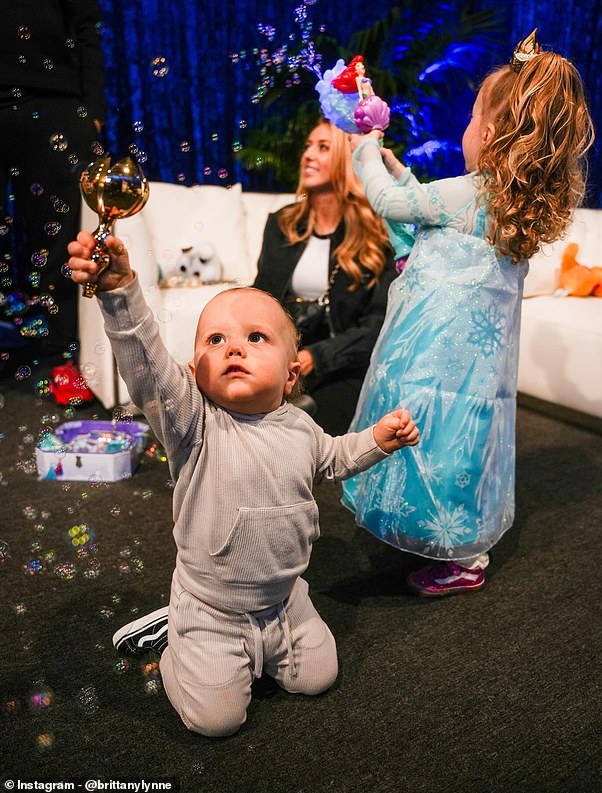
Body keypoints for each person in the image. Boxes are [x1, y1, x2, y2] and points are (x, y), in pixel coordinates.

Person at [66, 230, 419, 737]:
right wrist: (120, 290)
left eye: (256, 338)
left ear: (292, 374)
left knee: (320, 677)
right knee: (217, 721)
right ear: (193, 371)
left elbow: (335, 459)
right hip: (212, 607)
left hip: (282, 599)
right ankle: (177, 643)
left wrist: (378, 440)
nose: (234, 347)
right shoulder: (193, 421)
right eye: (216, 339)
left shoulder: (300, 427)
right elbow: (146, 366)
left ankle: (263, 641)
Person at [341, 38, 594, 596]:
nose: (466, 129)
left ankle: (447, 549)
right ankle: (460, 544)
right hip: (476, 374)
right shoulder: (515, 208)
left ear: (493, 136)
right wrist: (397, 167)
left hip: (432, 357)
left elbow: (392, 205)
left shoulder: (465, 193)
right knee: (459, 444)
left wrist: (365, 150)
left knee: (419, 432)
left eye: (473, 118)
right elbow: (429, 215)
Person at [253, 118, 397, 436]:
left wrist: (315, 357)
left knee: (307, 430)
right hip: (284, 357)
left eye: (322, 147)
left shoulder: (376, 236)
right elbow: (262, 298)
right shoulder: (282, 224)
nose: (308, 155)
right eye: (307, 147)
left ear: (347, 161)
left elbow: (377, 327)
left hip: (342, 362)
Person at [0, 0, 105, 376]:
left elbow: (87, 26)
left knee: (59, 238)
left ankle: (61, 358)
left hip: (55, 101)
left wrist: (93, 109)